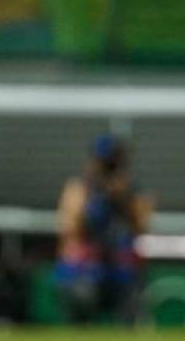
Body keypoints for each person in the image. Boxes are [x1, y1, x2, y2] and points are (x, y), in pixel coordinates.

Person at [54, 134, 153, 325]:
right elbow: (70, 228)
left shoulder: (131, 190)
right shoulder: (80, 188)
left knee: (130, 302)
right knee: (81, 297)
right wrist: (93, 199)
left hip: (120, 266)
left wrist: (122, 200)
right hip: (85, 267)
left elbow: (142, 227)